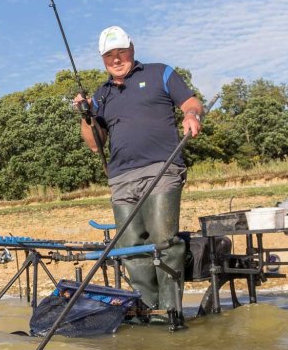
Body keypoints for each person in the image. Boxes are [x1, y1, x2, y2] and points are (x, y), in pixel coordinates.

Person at [73, 25, 204, 326]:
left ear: (132, 50)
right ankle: (147, 311)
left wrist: (191, 115)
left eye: (121, 52)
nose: (116, 59)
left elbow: (191, 102)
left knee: (163, 240)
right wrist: (86, 115)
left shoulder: (160, 73)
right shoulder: (102, 94)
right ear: (103, 59)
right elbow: (94, 144)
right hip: (121, 178)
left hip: (162, 169)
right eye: (110, 55)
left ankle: (170, 314)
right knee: (129, 246)